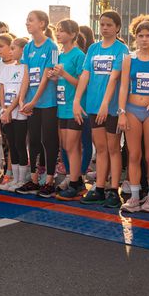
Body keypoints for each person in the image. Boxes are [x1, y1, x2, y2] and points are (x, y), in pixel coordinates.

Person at [74, 11, 126, 206]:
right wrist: (77, 100)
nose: (104, 28)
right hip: (94, 105)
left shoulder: (121, 49)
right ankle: (100, 187)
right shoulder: (94, 49)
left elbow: (114, 78)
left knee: (114, 148)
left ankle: (114, 189)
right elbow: (85, 75)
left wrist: (106, 103)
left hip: (111, 108)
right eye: (102, 24)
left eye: (109, 25)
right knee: (101, 148)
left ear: (117, 28)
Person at [119, 15, 149, 213]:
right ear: (135, 37)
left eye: (148, 35)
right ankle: (135, 197)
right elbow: (123, 88)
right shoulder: (129, 59)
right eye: (140, 35)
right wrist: (121, 112)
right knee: (134, 154)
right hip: (132, 110)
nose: (144, 39)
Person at [17, 10, 60, 196]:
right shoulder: (27, 47)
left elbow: (46, 77)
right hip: (31, 102)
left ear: (42, 24)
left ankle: (49, 180)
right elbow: (26, 75)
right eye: (26, 20)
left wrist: (34, 101)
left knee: (48, 141)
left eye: (31, 20)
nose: (27, 23)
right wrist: (22, 98)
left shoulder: (51, 47)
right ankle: (33, 179)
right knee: (33, 140)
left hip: (48, 102)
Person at [52, 19, 87, 200]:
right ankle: (78, 179)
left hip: (74, 107)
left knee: (73, 146)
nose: (58, 34)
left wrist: (64, 74)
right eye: (57, 30)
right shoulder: (59, 55)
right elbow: (60, 81)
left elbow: (82, 82)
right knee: (65, 146)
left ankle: (74, 184)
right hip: (62, 106)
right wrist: (54, 77)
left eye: (63, 31)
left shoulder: (78, 55)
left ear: (73, 34)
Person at [0, 34, 31, 191]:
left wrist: (9, 110)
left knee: (20, 144)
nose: (11, 51)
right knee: (12, 145)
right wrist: (4, 109)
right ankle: (15, 178)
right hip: (6, 113)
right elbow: (2, 89)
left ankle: (22, 179)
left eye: (14, 48)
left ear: (22, 51)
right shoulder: (7, 68)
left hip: (19, 113)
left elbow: (20, 93)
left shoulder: (25, 69)